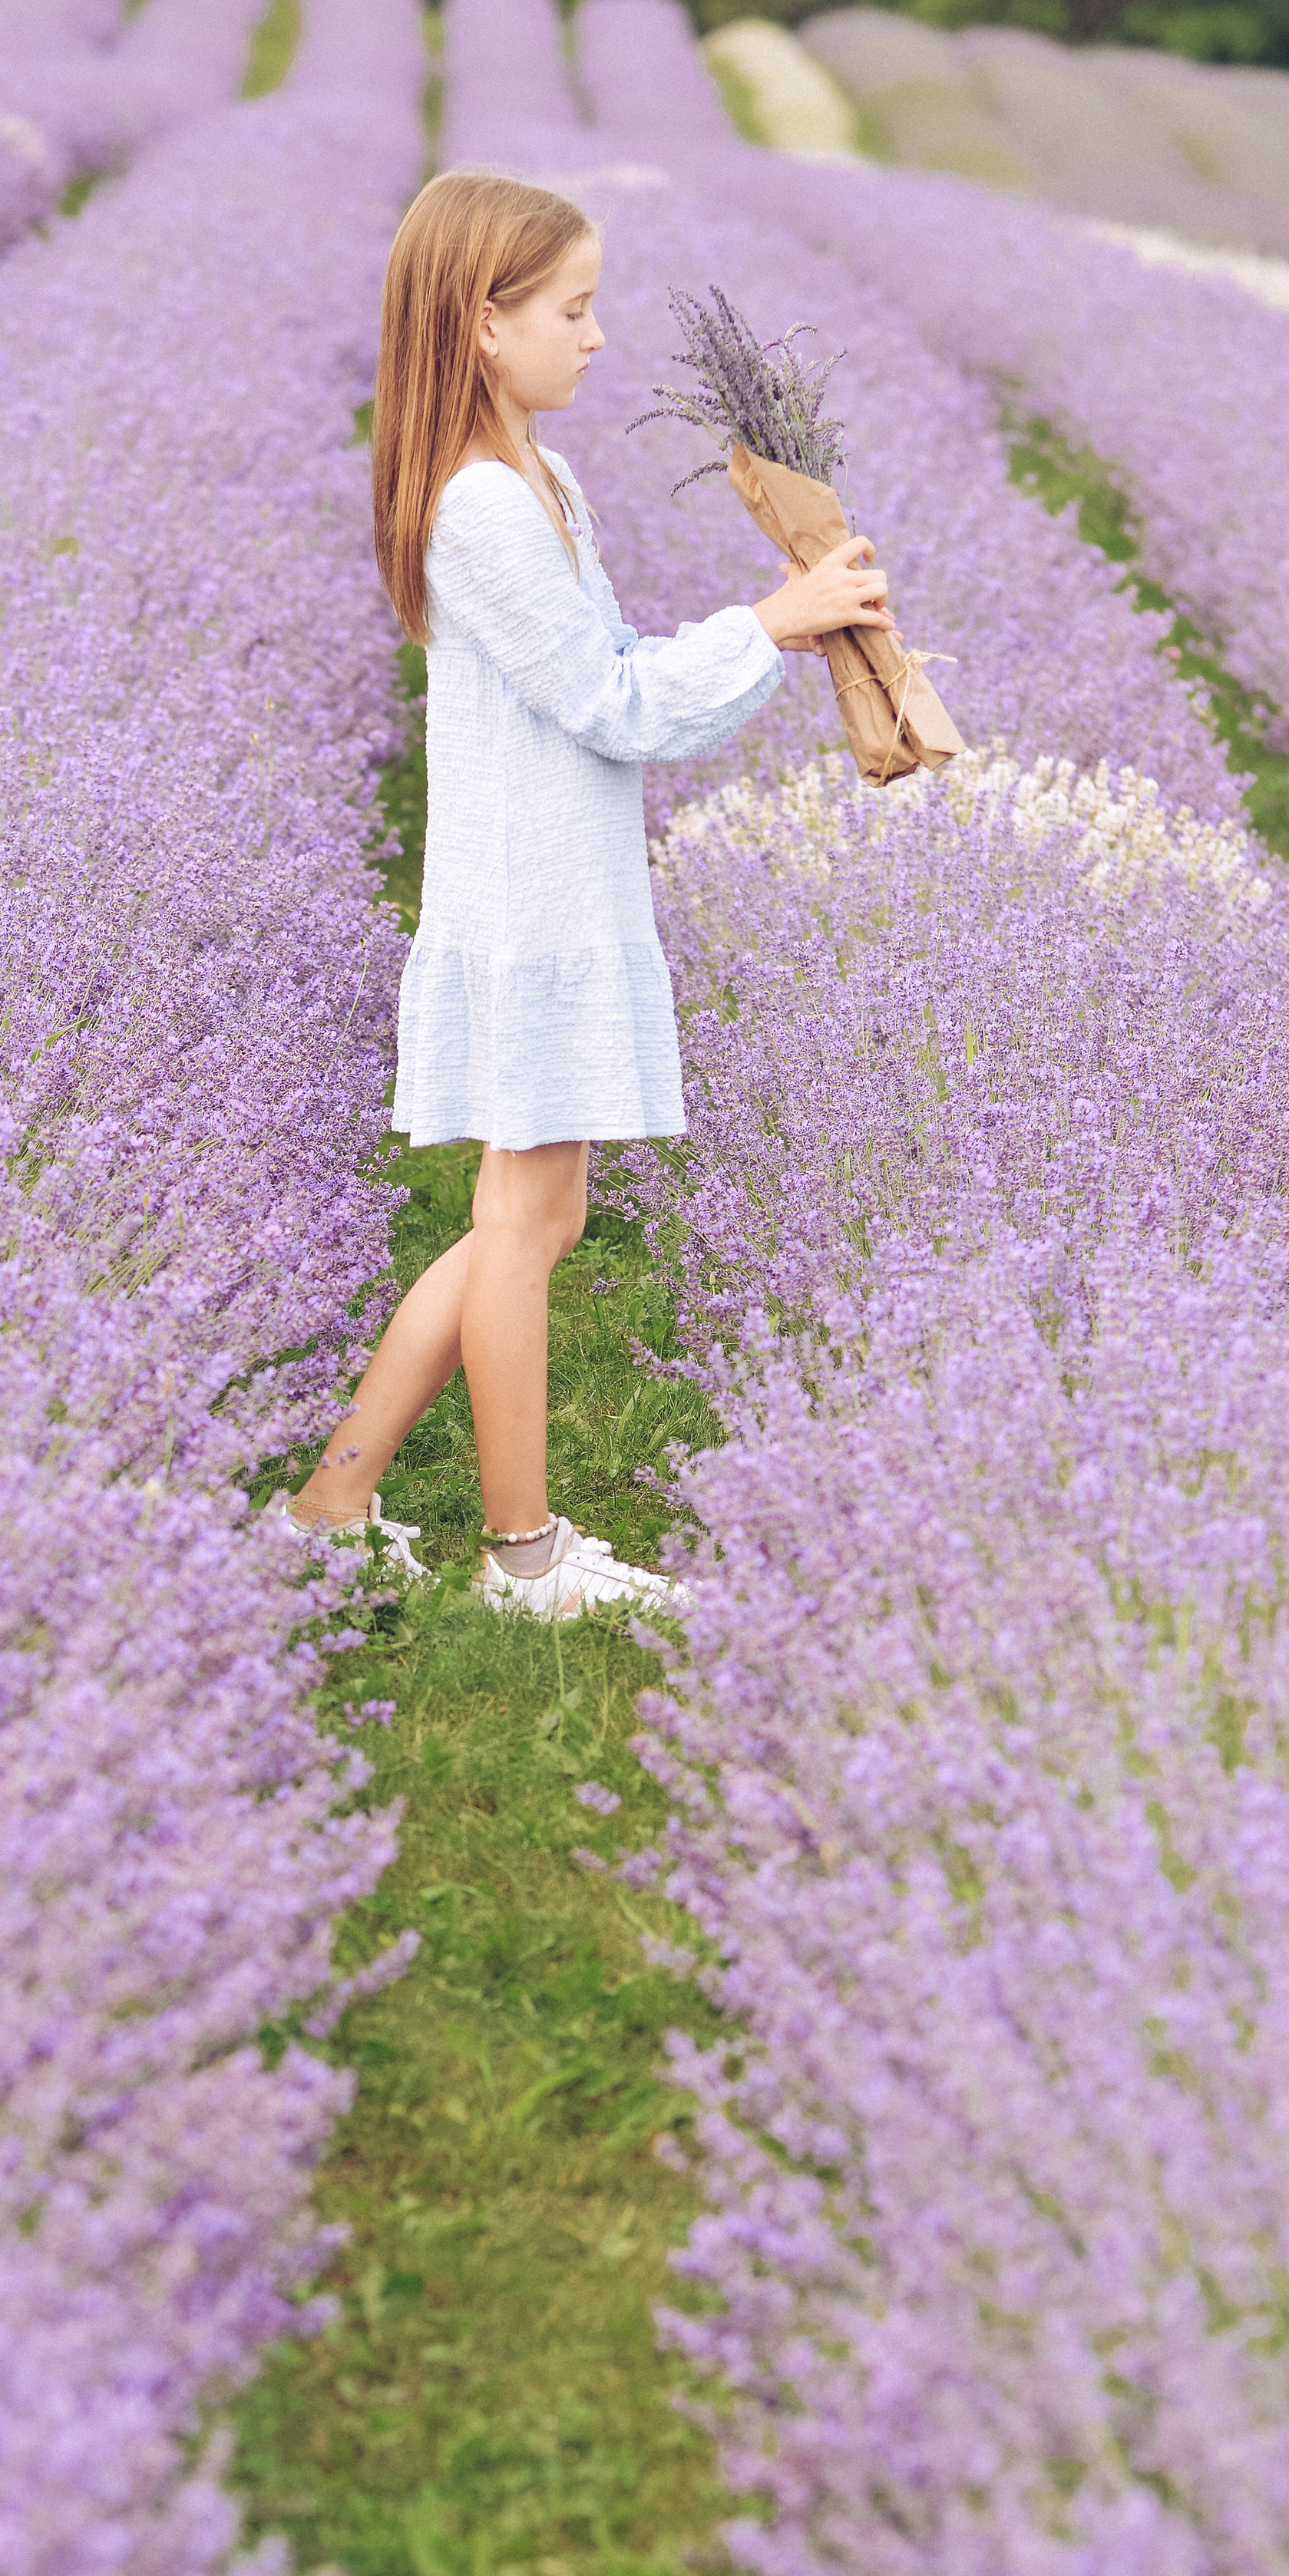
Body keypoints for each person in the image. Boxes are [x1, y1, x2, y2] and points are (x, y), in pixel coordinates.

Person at [284, 169, 894, 1620]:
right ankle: (523, 1555)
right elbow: (611, 703)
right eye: (573, 309)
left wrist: (780, 639)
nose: (599, 338)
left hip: (559, 882)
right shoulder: (482, 506)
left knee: (531, 1224)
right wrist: (767, 624)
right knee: (521, 1220)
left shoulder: (538, 479)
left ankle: (333, 1501)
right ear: (483, 328)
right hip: (530, 903)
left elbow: (619, 671)